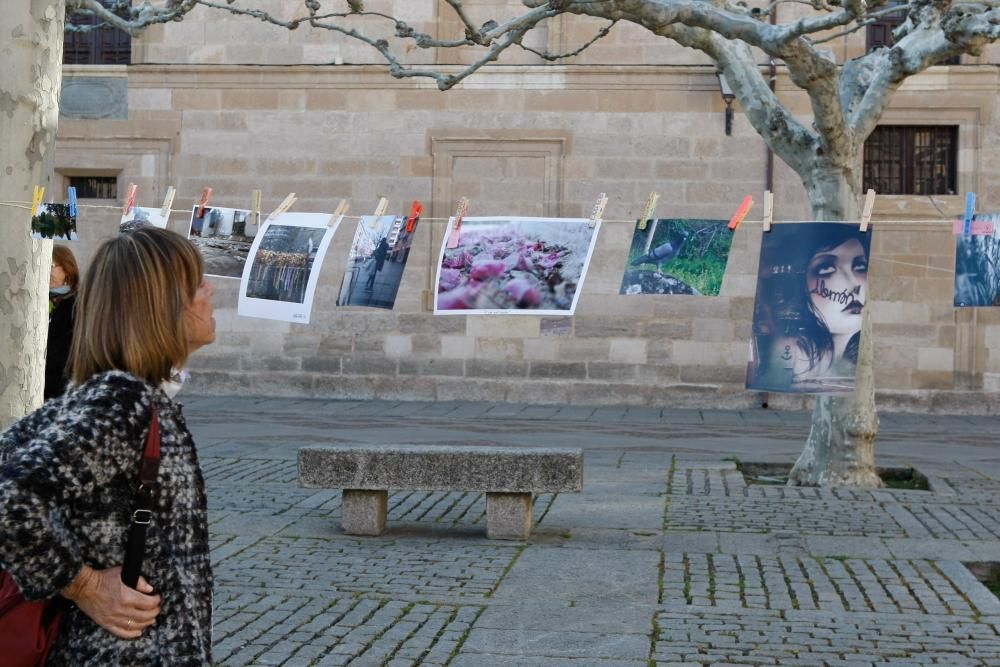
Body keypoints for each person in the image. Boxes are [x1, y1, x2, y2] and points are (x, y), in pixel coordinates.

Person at [0, 227, 216, 665]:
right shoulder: (123, 400)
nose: (209, 292)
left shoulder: (123, 395)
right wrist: (85, 585)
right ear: (161, 304)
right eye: (197, 283)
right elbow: (8, 495)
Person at [749, 223, 870, 393]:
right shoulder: (791, 350)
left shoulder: (854, 361)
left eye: (860, 267)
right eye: (827, 268)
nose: (854, 284)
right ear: (801, 286)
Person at [45, 245, 80, 400]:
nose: (47, 271)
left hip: (62, 392)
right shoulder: (41, 300)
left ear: (67, 269)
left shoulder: (75, 304)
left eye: (52, 266)